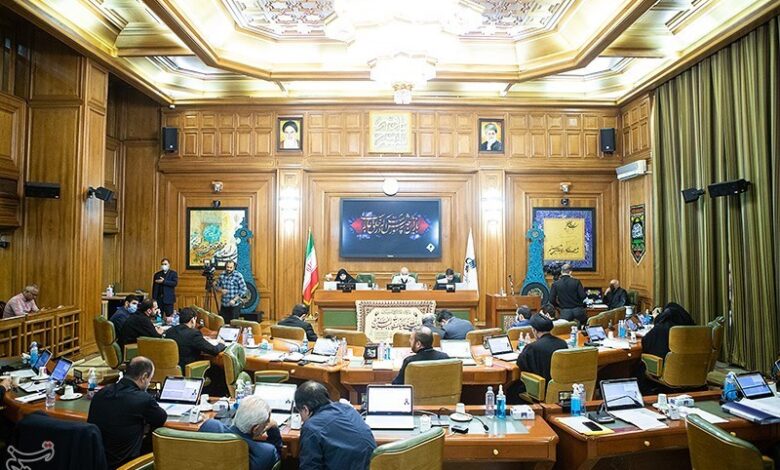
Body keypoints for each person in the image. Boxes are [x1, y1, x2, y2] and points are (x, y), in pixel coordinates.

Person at [88, 357, 167, 469]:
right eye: (150, 379)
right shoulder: (143, 399)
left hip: (97, 462)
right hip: (126, 465)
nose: (149, 383)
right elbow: (161, 418)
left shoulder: (101, 393)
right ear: (144, 377)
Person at [295, 381, 376, 469]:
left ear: (305, 409)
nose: (302, 419)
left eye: (300, 413)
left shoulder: (311, 427)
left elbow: (309, 467)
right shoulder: (347, 408)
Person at [199, 395, 282, 470]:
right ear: (255, 429)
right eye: (266, 422)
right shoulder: (266, 452)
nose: (267, 423)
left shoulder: (209, 426)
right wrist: (274, 428)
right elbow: (277, 462)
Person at [507, 314, 568, 402]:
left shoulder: (533, 347)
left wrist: (525, 349)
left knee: (511, 386)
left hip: (539, 389)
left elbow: (520, 366)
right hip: (560, 389)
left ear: (534, 330)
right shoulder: (562, 343)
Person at [164, 307, 226, 372]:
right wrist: (221, 343)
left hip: (172, 369)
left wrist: (201, 339)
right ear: (192, 320)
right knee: (219, 370)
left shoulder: (170, 331)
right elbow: (214, 351)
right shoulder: (194, 334)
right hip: (190, 368)